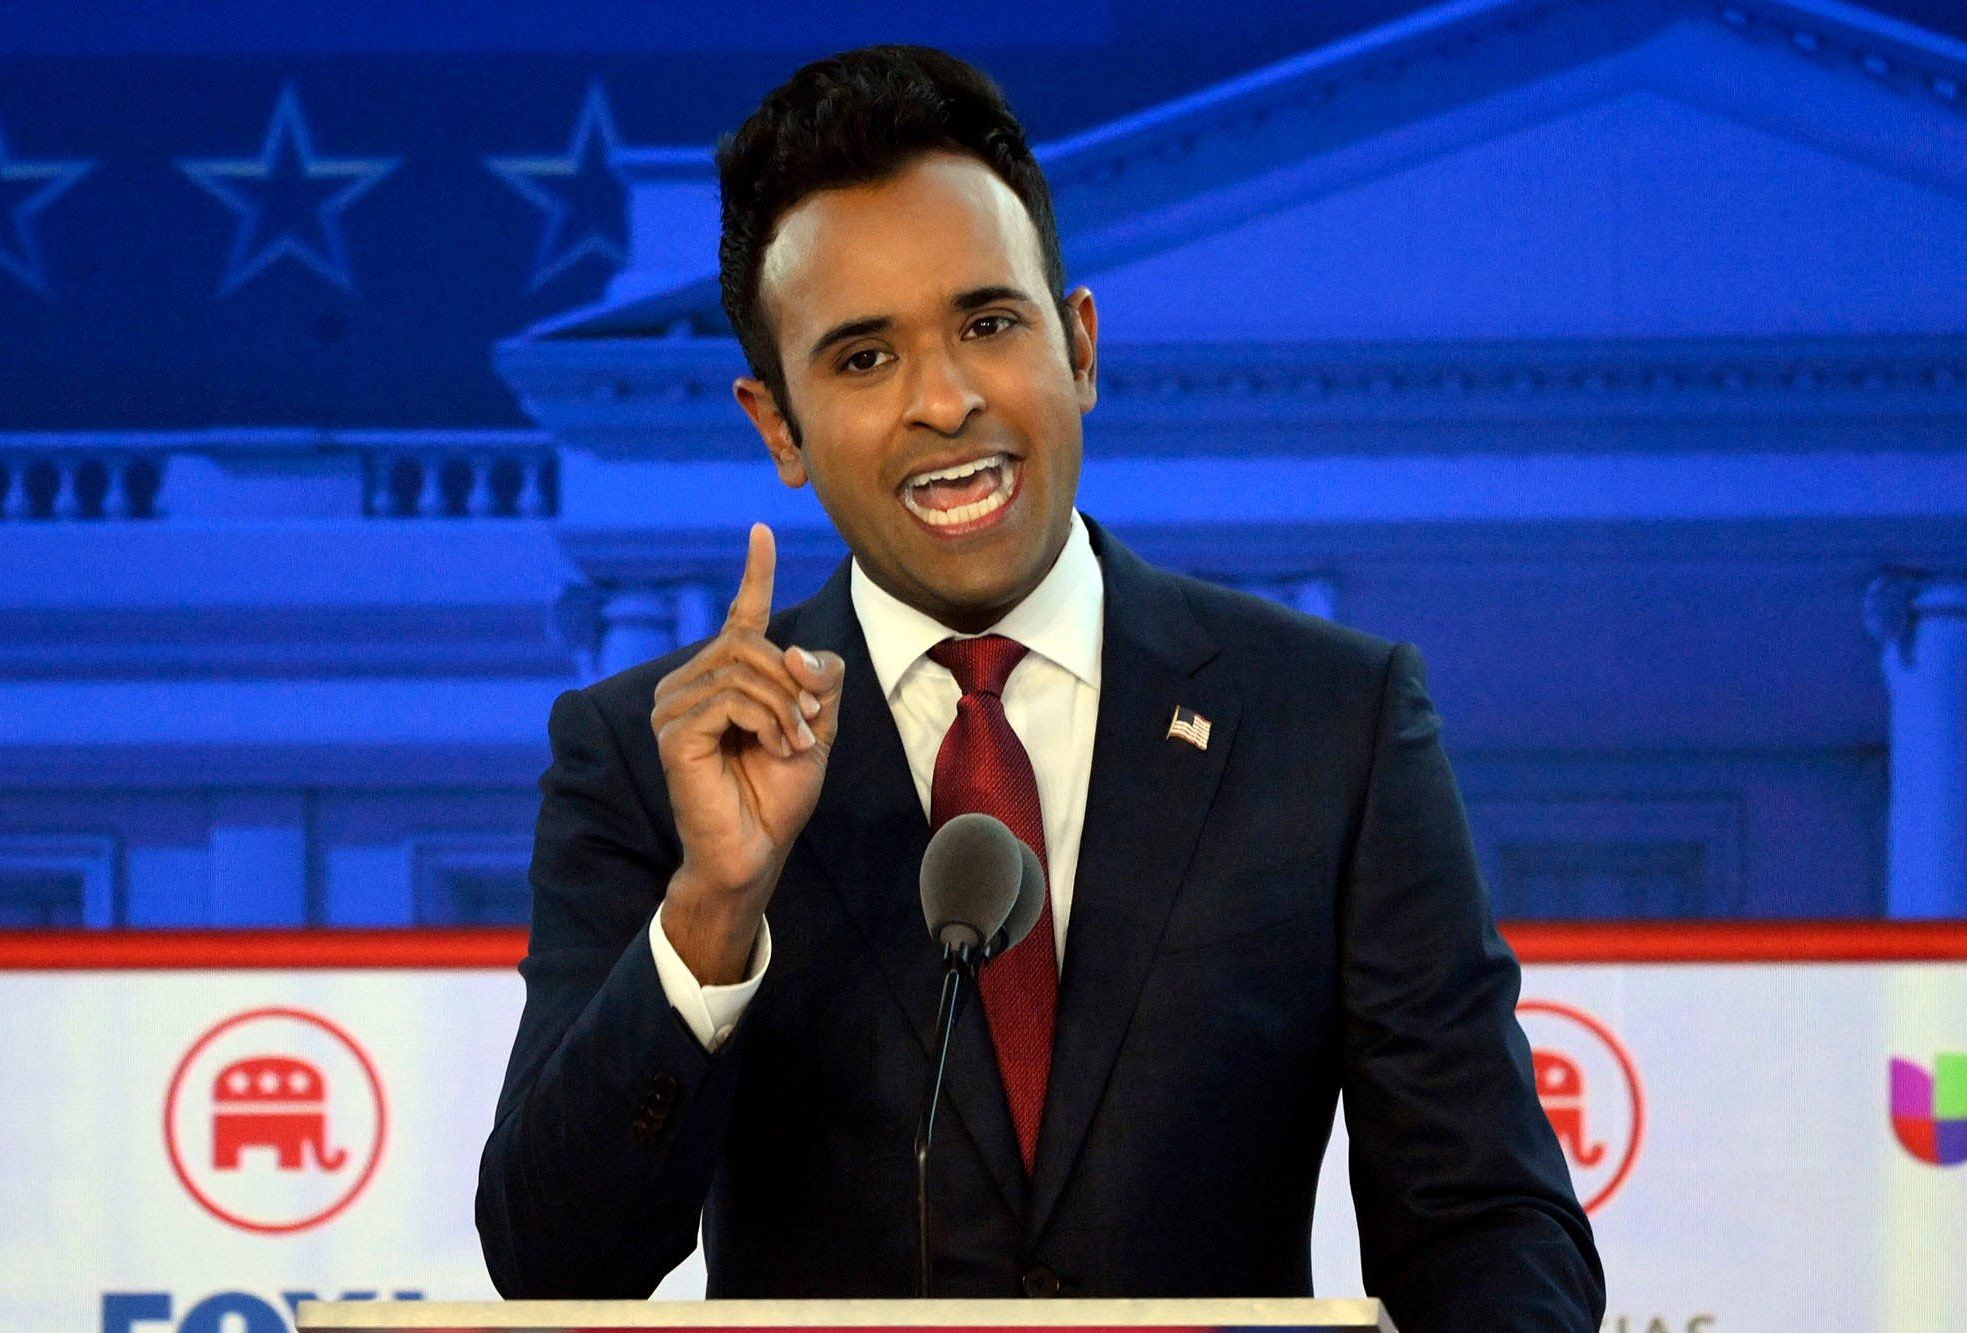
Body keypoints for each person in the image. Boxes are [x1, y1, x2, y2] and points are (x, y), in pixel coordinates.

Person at [478, 44, 1605, 1329]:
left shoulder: (1330, 722)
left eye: (987, 324)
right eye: (860, 360)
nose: (946, 401)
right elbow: (555, 1264)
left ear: (1076, 346)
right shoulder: (646, 757)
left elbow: (1484, 1219)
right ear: (776, 426)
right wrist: (712, 910)